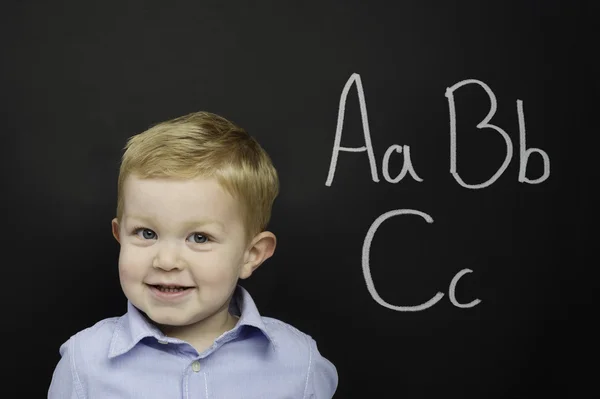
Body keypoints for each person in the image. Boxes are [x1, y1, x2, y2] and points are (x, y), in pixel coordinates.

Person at [48, 111, 338, 398]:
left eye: (199, 238)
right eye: (146, 233)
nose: (166, 261)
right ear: (119, 236)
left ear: (251, 255)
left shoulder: (299, 364)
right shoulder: (83, 364)